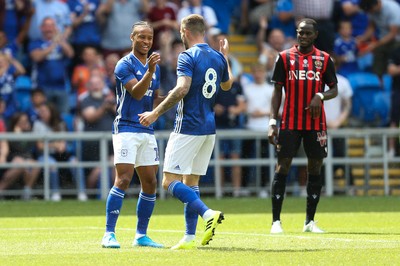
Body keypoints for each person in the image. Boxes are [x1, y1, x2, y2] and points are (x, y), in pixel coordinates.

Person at [138, 14, 234, 249]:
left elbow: (182, 89)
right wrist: (226, 58)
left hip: (188, 126)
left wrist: (156, 113)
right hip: (209, 128)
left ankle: (207, 213)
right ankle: (189, 237)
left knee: (168, 181)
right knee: (191, 181)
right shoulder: (217, 57)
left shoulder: (187, 56)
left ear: (186, 31)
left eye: (181, 30)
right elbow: (227, 84)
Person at [268, 18, 338, 234]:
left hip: (316, 123)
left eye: (308, 33)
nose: (303, 36)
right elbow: (277, 91)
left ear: (315, 35)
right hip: (290, 121)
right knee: (283, 167)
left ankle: (309, 221)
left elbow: (334, 89)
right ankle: (276, 222)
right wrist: (272, 121)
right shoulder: (284, 57)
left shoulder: (324, 59)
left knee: (315, 168)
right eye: (300, 32)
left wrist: (320, 95)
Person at [101, 21, 163, 249]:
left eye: (149, 37)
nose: (146, 42)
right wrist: (150, 72)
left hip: (147, 129)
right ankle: (109, 233)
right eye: (142, 37)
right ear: (132, 38)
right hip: (126, 127)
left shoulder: (154, 65)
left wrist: (176, 98)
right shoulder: (123, 64)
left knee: (150, 183)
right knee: (124, 179)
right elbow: (137, 93)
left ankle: (141, 235)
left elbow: (152, 99)